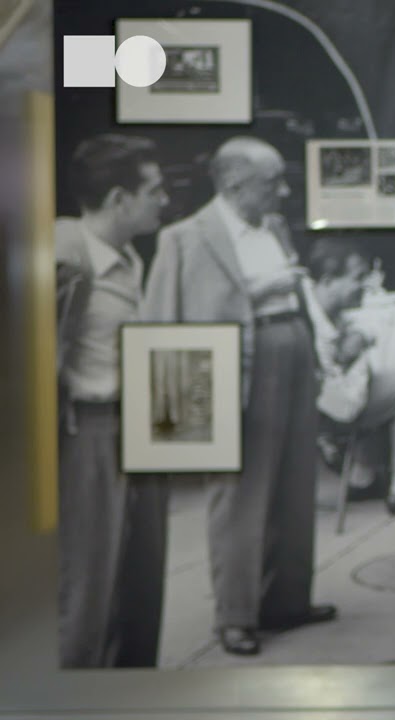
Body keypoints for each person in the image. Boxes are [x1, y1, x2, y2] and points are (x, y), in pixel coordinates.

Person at [140, 136, 335, 656]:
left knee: (296, 480)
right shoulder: (185, 238)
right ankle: (235, 614)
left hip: (292, 348)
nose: (284, 190)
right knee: (239, 491)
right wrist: (168, 414)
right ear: (234, 183)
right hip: (237, 363)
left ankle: (287, 599)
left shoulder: (273, 226)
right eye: (272, 181)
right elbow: (160, 319)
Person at [54, 134, 170, 668]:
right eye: (155, 189)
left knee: (139, 580)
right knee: (88, 581)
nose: (164, 200)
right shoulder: (62, 255)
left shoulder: (130, 257)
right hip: (89, 433)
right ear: (121, 198)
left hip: (139, 428)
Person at [306, 239, 395, 513]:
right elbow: (328, 380)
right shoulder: (307, 316)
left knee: (381, 381)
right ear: (329, 280)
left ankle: (363, 476)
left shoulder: (317, 306)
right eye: (357, 278)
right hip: (322, 411)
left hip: (322, 402)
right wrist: (347, 355)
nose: (365, 285)